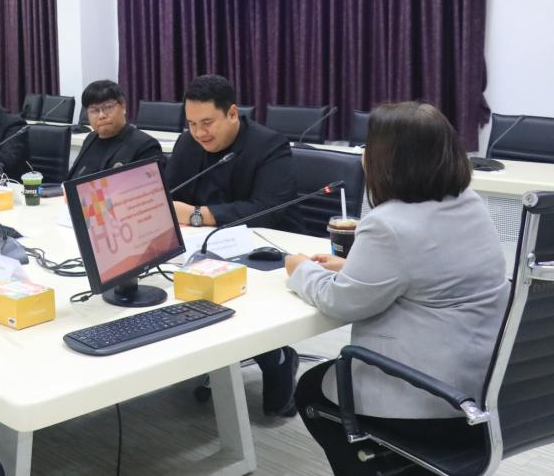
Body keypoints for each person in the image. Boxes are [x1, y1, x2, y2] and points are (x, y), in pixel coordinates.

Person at [286, 102, 509, 475]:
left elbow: (339, 302)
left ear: (389, 161)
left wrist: (300, 269)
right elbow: (429, 271)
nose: (363, 155)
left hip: (431, 399)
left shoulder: (388, 224)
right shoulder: (471, 205)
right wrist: (351, 267)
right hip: (483, 392)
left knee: (310, 390)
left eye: (368, 146)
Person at [164, 74, 303, 416]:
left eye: (207, 122)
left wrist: (199, 215)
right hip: (200, 249)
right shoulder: (187, 144)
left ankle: (276, 356)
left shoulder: (270, 145)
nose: (199, 133)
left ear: (232, 113)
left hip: (263, 249)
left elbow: (267, 209)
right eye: (192, 124)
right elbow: (168, 197)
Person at [68, 80, 162, 179]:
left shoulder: (145, 146)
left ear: (123, 106)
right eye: (94, 110)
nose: (101, 115)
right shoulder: (91, 138)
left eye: (108, 107)